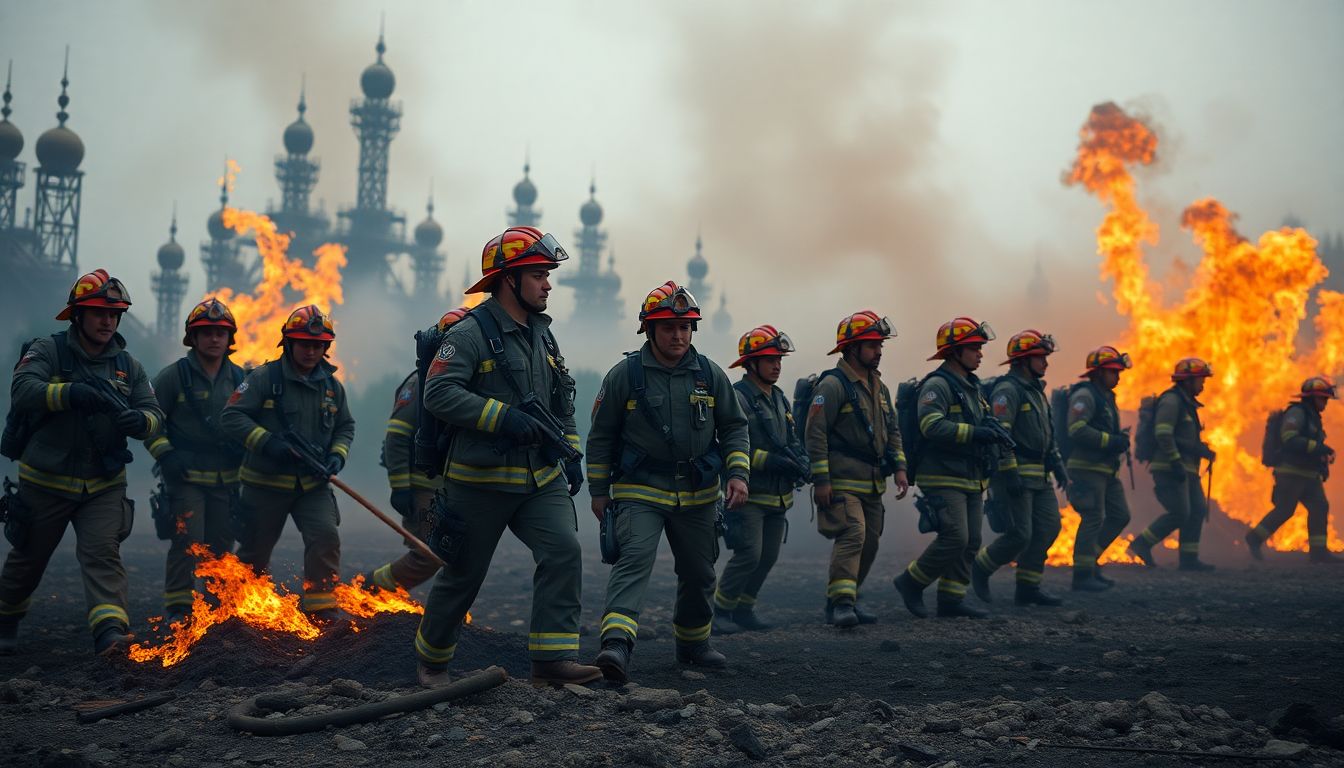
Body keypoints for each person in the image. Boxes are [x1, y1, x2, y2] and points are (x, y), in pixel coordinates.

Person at [412, 227, 599, 689]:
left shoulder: (544, 337)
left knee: (564, 551)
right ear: (507, 280)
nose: (548, 284)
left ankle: (552, 662)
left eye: (547, 275)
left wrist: (570, 451)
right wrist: (501, 418)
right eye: (538, 275)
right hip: (480, 479)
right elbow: (438, 393)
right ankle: (432, 663)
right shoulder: (470, 333)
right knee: (464, 575)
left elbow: (563, 403)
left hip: (540, 477)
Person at [587, 281, 750, 682]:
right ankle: (616, 646)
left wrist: (739, 474)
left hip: (697, 492)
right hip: (639, 489)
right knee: (634, 560)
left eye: (685, 327)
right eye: (668, 328)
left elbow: (734, 427)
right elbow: (601, 435)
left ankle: (694, 644)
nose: (678, 335)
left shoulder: (710, 375)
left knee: (700, 570)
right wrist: (598, 491)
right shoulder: (625, 375)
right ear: (649, 330)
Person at [0, 269, 163, 655]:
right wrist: (69, 393)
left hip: (103, 484)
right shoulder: (47, 351)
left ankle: (110, 634)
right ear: (77, 315)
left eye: (114, 314)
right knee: (27, 563)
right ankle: (5, 619)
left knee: (102, 554)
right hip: (46, 481)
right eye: (97, 313)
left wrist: (141, 421)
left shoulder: (129, 367)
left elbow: (154, 412)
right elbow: (23, 390)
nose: (107, 321)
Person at [221, 305, 355, 617]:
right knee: (255, 552)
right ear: (288, 343)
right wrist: (267, 442)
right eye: (305, 344)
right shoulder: (264, 378)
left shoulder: (333, 387)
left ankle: (321, 611)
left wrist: (337, 456)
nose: (311, 351)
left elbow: (345, 427)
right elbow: (231, 416)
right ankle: (233, 612)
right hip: (265, 485)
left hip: (313, 484)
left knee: (325, 537)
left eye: (318, 345)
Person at [143, 298, 247, 620]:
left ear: (230, 338)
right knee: (188, 542)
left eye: (220, 332)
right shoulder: (173, 377)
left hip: (226, 482)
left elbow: (254, 422)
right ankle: (179, 612)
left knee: (220, 548)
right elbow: (148, 420)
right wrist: (165, 454)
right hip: (185, 478)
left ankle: (217, 614)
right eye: (206, 332)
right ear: (193, 338)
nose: (214, 338)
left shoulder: (242, 380)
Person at [805, 311, 907, 628]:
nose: (878, 351)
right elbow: (815, 432)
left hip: (873, 483)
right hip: (842, 481)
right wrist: (821, 480)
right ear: (851, 349)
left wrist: (900, 467)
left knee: (871, 542)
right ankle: (842, 605)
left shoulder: (880, 387)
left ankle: (845, 595)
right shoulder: (833, 385)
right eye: (872, 345)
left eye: (880, 345)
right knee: (854, 534)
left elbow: (893, 430)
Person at [893, 316, 1000, 619]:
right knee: (955, 536)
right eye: (974, 348)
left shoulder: (972, 386)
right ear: (954, 352)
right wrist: (975, 432)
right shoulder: (938, 385)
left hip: (970, 475)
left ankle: (951, 599)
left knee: (972, 541)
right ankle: (911, 581)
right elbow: (930, 425)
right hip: (941, 473)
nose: (980, 353)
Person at [364, 307, 469, 593]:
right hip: (423, 486)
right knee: (427, 555)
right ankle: (371, 589)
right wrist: (401, 487)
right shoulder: (420, 382)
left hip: (455, 486)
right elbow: (396, 437)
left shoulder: (471, 382)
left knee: (457, 555)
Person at [712, 324, 807, 633]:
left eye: (779, 359)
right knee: (748, 554)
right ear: (751, 363)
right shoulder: (738, 398)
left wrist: (800, 460)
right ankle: (720, 611)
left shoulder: (779, 397)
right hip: (749, 495)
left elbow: (790, 438)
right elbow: (728, 445)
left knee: (767, 557)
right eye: (769, 359)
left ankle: (744, 609)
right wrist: (770, 460)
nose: (777, 365)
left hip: (777, 495)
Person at [971, 330, 1066, 607]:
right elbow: (1000, 434)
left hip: (1040, 475)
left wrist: (1058, 464)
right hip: (1015, 477)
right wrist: (1009, 471)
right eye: (1040, 357)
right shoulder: (1008, 391)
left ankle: (1028, 587)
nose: (1046, 363)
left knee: (1048, 527)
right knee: (1020, 534)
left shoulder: (1036, 391)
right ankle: (981, 567)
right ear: (1023, 360)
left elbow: (1047, 433)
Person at [1130, 357, 1216, 571]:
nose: (1203, 384)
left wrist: (1201, 450)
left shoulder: (1187, 404)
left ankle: (1188, 559)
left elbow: (1183, 438)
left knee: (1197, 509)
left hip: (1187, 469)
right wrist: (1176, 460)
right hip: (1169, 467)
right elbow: (1163, 433)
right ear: (1187, 381)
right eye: (1199, 380)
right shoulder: (1172, 401)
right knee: (1180, 512)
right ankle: (1142, 543)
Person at [1063, 346, 1133, 590]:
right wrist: (1110, 441)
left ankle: (1090, 562)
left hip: (1106, 470)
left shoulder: (1106, 396)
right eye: (1114, 371)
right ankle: (1082, 576)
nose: (1118, 377)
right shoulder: (1086, 395)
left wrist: (1119, 439)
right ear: (1099, 372)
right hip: (1086, 468)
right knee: (1093, 517)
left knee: (1120, 515)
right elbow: (1076, 428)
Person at [1246, 376, 1337, 563]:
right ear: (1311, 398)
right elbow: (1289, 438)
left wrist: (1321, 458)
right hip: (1291, 473)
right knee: (1285, 510)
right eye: (1323, 399)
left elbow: (1311, 445)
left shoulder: (1313, 418)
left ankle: (1319, 553)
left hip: (1310, 475)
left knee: (1320, 507)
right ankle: (1255, 537)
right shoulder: (1297, 413)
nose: (1325, 403)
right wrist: (1317, 447)